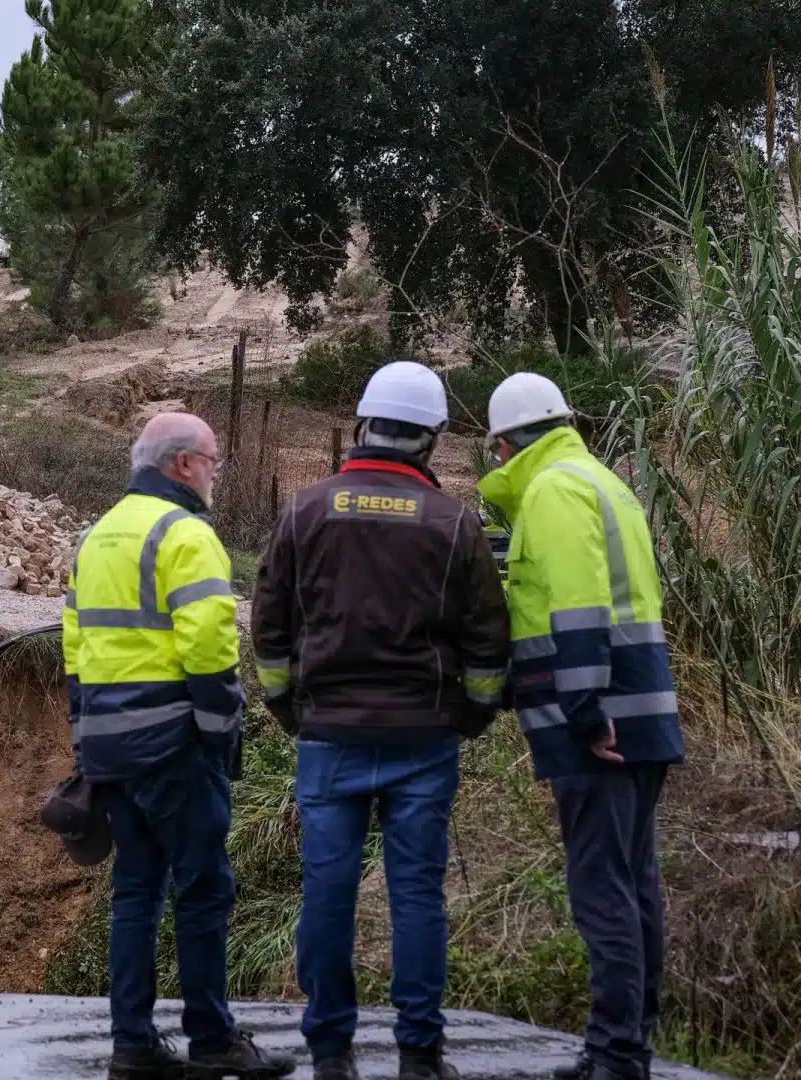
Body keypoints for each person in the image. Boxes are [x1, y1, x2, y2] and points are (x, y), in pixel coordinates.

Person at [252, 362, 511, 1080]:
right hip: (425, 738)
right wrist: (470, 718)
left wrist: (289, 710)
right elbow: (490, 643)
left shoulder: (306, 510)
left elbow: (269, 628)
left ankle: (330, 1053)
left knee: (326, 894)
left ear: (363, 425)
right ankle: (420, 1055)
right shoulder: (453, 523)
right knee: (417, 898)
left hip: (329, 735)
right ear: (430, 439)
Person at [62, 410, 294, 1080]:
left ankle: (132, 1045)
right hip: (173, 745)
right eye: (214, 460)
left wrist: (86, 735)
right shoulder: (186, 534)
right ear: (184, 463)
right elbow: (210, 650)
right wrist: (222, 736)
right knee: (203, 889)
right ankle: (213, 1038)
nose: (217, 472)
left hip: (110, 745)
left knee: (135, 890)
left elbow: (75, 648)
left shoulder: (97, 534)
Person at [476, 373, 684, 1080]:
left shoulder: (553, 490)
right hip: (642, 708)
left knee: (601, 884)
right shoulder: (600, 479)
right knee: (634, 878)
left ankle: (615, 1051)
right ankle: (633, 1041)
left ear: (505, 444)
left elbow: (579, 608)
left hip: (598, 721)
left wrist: (585, 710)